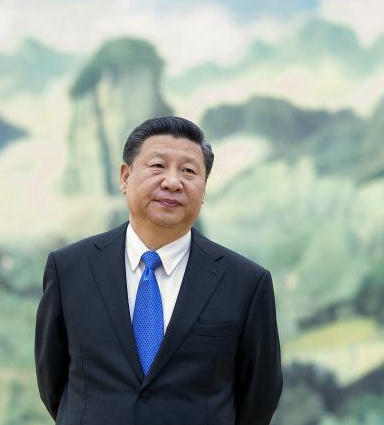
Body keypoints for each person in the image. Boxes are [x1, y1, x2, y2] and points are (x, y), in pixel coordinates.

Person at [35, 116, 282, 425]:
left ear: (203, 189)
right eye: (157, 167)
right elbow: (54, 384)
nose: (173, 182)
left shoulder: (246, 283)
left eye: (189, 171)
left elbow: (258, 399)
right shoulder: (69, 269)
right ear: (125, 177)